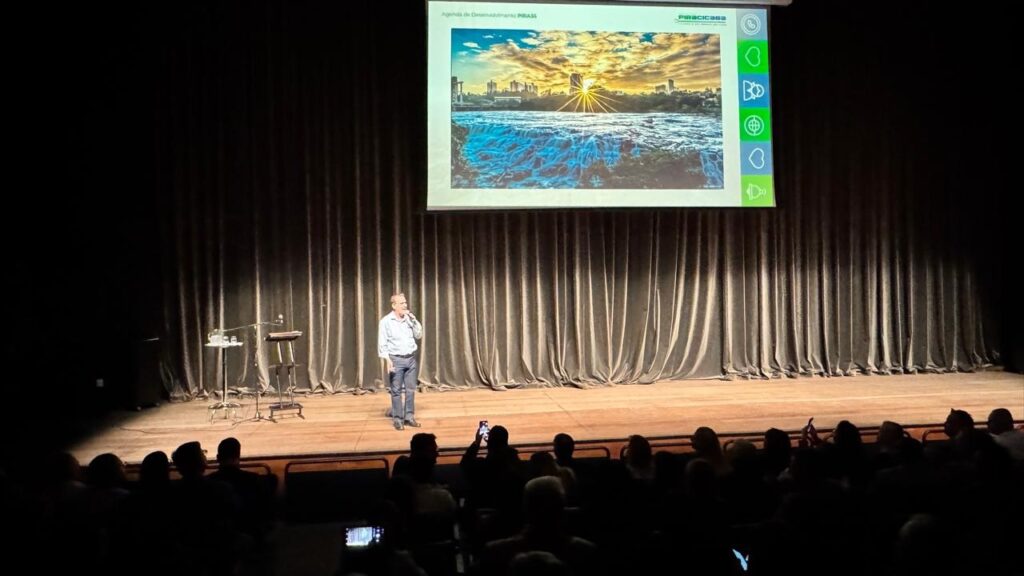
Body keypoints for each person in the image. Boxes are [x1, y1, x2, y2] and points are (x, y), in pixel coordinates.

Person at [378, 292, 423, 430]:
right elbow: (382, 343)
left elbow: (418, 335)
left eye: (405, 302)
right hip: (396, 360)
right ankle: (398, 419)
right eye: (402, 303)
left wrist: (414, 320)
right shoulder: (386, 322)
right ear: (394, 305)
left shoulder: (409, 319)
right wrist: (387, 360)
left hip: (410, 359)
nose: (405, 305)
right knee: (396, 391)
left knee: (410, 390)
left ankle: (409, 417)